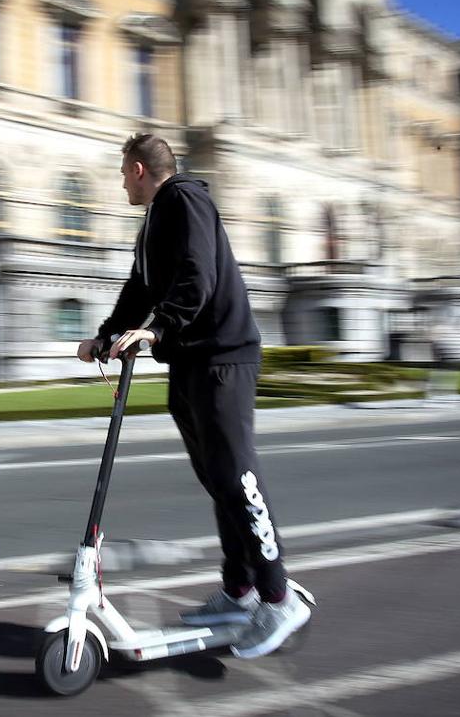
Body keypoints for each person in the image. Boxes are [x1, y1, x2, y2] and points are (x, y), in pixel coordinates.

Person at [76, 133, 309, 658]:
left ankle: (278, 595)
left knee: (237, 476)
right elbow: (139, 290)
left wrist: (158, 331)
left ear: (138, 169)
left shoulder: (185, 199)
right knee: (218, 481)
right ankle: (240, 589)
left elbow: (196, 276)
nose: (121, 183)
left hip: (224, 357)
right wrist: (108, 336)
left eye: (121, 173)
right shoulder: (154, 223)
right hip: (191, 361)